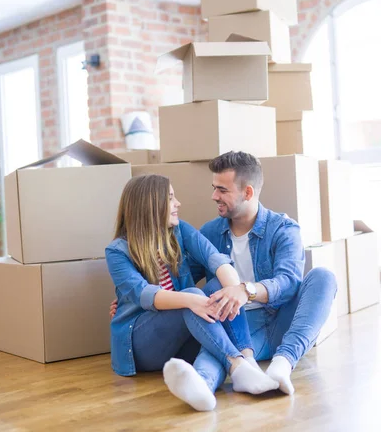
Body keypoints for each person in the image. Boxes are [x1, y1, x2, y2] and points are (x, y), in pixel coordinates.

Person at [105, 174, 279, 413]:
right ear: (151, 205)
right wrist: (192, 299)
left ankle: (239, 366)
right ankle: (236, 364)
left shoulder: (179, 231)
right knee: (192, 295)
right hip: (141, 344)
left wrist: (236, 291)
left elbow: (216, 260)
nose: (178, 204)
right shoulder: (117, 251)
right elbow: (145, 295)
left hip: (185, 331)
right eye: (170, 198)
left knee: (220, 287)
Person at [188, 151, 338, 396]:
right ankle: (200, 388)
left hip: (286, 321)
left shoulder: (283, 228)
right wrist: (137, 294)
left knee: (323, 277)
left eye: (222, 190)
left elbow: (289, 282)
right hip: (242, 328)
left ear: (247, 192)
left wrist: (245, 290)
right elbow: (184, 278)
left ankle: (283, 364)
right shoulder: (209, 233)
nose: (214, 196)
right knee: (215, 342)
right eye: (214, 188)